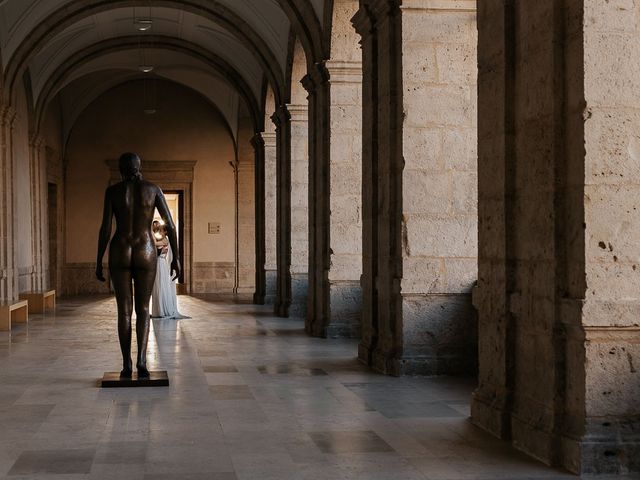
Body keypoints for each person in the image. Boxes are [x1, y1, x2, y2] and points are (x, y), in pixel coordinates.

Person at [96, 153, 180, 378]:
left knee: (123, 312)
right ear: (139, 167)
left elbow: (105, 229)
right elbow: (170, 226)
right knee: (143, 309)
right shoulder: (153, 189)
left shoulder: (112, 192)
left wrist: (98, 260)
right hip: (146, 250)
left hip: (120, 250)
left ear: (122, 169)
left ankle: (126, 364)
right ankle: (142, 362)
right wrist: (178, 258)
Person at [151, 223, 188, 319]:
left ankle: (163, 310)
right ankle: (158, 310)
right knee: (157, 286)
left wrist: (150, 232)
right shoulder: (161, 239)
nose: (159, 231)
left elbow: (154, 243)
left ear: (165, 232)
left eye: (161, 230)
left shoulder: (165, 240)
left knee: (161, 285)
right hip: (157, 263)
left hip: (161, 264)